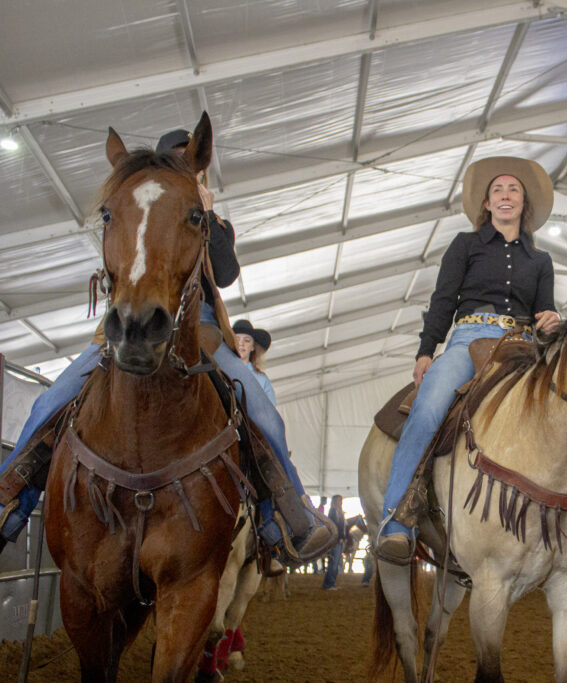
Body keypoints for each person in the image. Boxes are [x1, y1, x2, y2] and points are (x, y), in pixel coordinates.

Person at [0, 128, 334, 565]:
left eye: (192, 166)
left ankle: (286, 516)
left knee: (262, 410)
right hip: (134, 314)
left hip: (203, 329)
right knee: (51, 401)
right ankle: (11, 500)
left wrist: (207, 217)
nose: (188, 171)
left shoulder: (210, 219)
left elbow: (228, 273)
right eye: (177, 163)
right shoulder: (143, 202)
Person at [376, 156, 561, 564]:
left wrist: (551, 322)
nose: (506, 195)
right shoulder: (465, 245)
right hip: (469, 339)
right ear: (488, 203)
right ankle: (395, 521)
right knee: (427, 409)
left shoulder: (541, 261)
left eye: (513, 189)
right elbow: (443, 300)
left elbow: (544, 311)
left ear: (523, 202)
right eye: (498, 190)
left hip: (521, 346)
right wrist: (427, 350)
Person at [232, 319, 276, 405]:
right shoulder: (222, 372)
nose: (241, 343)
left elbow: (271, 410)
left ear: (253, 347)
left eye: (247, 340)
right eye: (237, 339)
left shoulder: (262, 379)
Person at [322, 495, 347, 589]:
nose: (341, 502)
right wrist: (339, 537)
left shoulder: (338, 512)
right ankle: (329, 583)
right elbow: (335, 526)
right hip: (336, 540)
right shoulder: (333, 512)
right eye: (339, 501)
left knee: (334, 562)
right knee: (334, 562)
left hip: (338, 540)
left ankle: (330, 583)